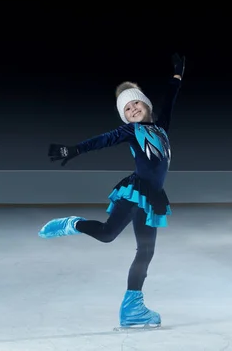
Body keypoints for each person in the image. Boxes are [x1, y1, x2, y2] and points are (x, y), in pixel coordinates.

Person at [39, 53, 185, 329]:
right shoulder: (132, 131)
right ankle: (72, 224)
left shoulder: (161, 127)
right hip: (136, 192)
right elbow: (105, 139)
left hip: (151, 196)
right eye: (126, 109)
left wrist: (177, 75)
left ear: (146, 104)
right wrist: (76, 149)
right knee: (119, 239)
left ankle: (133, 308)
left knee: (137, 246)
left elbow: (171, 100)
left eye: (135, 104)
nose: (132, 110)